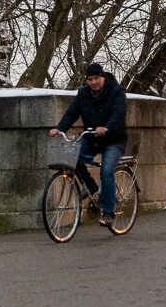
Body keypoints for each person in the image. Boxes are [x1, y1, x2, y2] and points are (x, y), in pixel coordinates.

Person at [48, 62, 128, 228]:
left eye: (96, 78)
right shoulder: (83, 94)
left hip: (113, 140)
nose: (93, 82)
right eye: (89, 79)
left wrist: (107, 127)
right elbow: (72, 113)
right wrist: (59, 128)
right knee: (71, 156)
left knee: (106, 170)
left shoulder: (117, 92)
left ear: (103, 77)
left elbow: (119, 113)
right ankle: (92, 188)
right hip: (91, 138)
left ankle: (108, 212)